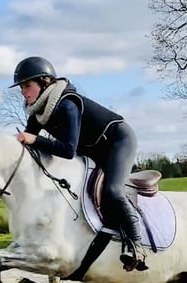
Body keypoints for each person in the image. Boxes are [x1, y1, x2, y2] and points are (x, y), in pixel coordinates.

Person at [12, 56, 147, 271]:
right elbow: (26, 146)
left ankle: (136, 244)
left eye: (27, 85)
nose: (23, 92)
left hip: (118, 141)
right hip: (93, 149)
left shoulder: (67, 105)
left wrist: (35, 139)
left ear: (44, 82)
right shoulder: (38, 113)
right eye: (21, 88)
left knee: (112, 190)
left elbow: (67, 150)